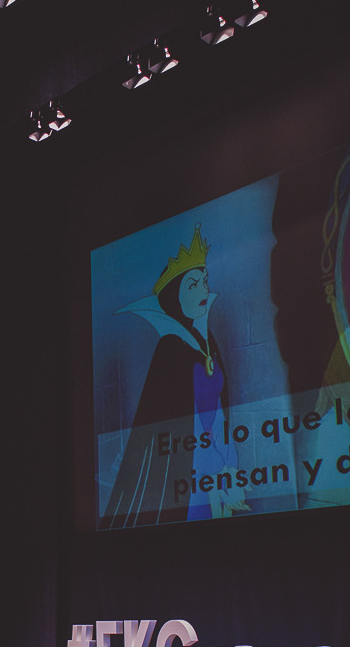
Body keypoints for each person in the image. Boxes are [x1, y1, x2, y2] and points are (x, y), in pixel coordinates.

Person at [103, 224, 245, 526]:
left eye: (204, 281)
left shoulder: (208, 342)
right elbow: (168, 421)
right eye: (192, 285)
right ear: (174, 297)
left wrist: (230, 464)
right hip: (188, 471)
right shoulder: (170, 349)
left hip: (217, 465)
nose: (203, 290)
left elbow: (220, 412)